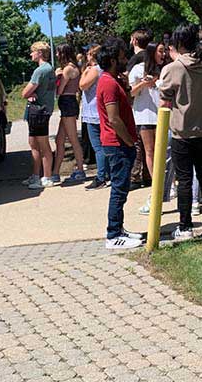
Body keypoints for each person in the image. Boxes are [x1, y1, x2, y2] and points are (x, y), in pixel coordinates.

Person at [159, 24, 202, 239]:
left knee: (184, 180)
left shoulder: (173, 68)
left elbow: (164, 98)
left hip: (181, 132)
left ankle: (185, 226)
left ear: (177, 43)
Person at [96, 38, 144, 250]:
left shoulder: (113, 81)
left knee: (121, 188)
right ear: (114, 59)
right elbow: (114, 119)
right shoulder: (107, 83)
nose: (126, 60)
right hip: (117, 145)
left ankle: (119, 228)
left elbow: (126, 105)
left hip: (119, 144)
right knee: (119, 189)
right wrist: (130, 141)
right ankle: (113, 234)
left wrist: (125, 86)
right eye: (123, 57)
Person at [128, 41, 163, 185]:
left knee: (163, 151)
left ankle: (166, 180)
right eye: (160, 51)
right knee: (150, 150)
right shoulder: (137, 69)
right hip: (145, 116)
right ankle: (156, 182)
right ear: (152, 52)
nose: (163, 54)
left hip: (162, 114)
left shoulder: (164, 69)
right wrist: (143, 83)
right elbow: (131, 92)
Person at [22, 41, 55, 190]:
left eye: (33, 51)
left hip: (39, 111)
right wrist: (31, 93)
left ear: (40, 53)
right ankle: (36, 175)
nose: (31, 54)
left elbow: (24, 92)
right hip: (41, 110)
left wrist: (30, 93)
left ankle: (46, 177)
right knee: (33, 143)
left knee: (43, 145)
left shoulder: (40, 71)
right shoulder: (49, 69)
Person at [53, 44, 87, 184]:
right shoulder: (73, 67)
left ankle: (80, 169)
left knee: (73, 139)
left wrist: (56, 77)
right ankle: (55, 172)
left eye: (57, 53)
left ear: (63, 53)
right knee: (59, 140)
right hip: (69, 103)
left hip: (67, 102)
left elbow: (59, 91)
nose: (56, 55)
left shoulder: (67, 69)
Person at [81, 45, 110, 190]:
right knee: (105, 145)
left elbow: (82, 85)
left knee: (98, 147)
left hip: (93, 113)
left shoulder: (94, 70)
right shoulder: (104, 69)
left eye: (88, 53)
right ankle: (108, 174)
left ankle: (101, 177)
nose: (86, 55)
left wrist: (84, 72)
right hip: (100, 111)